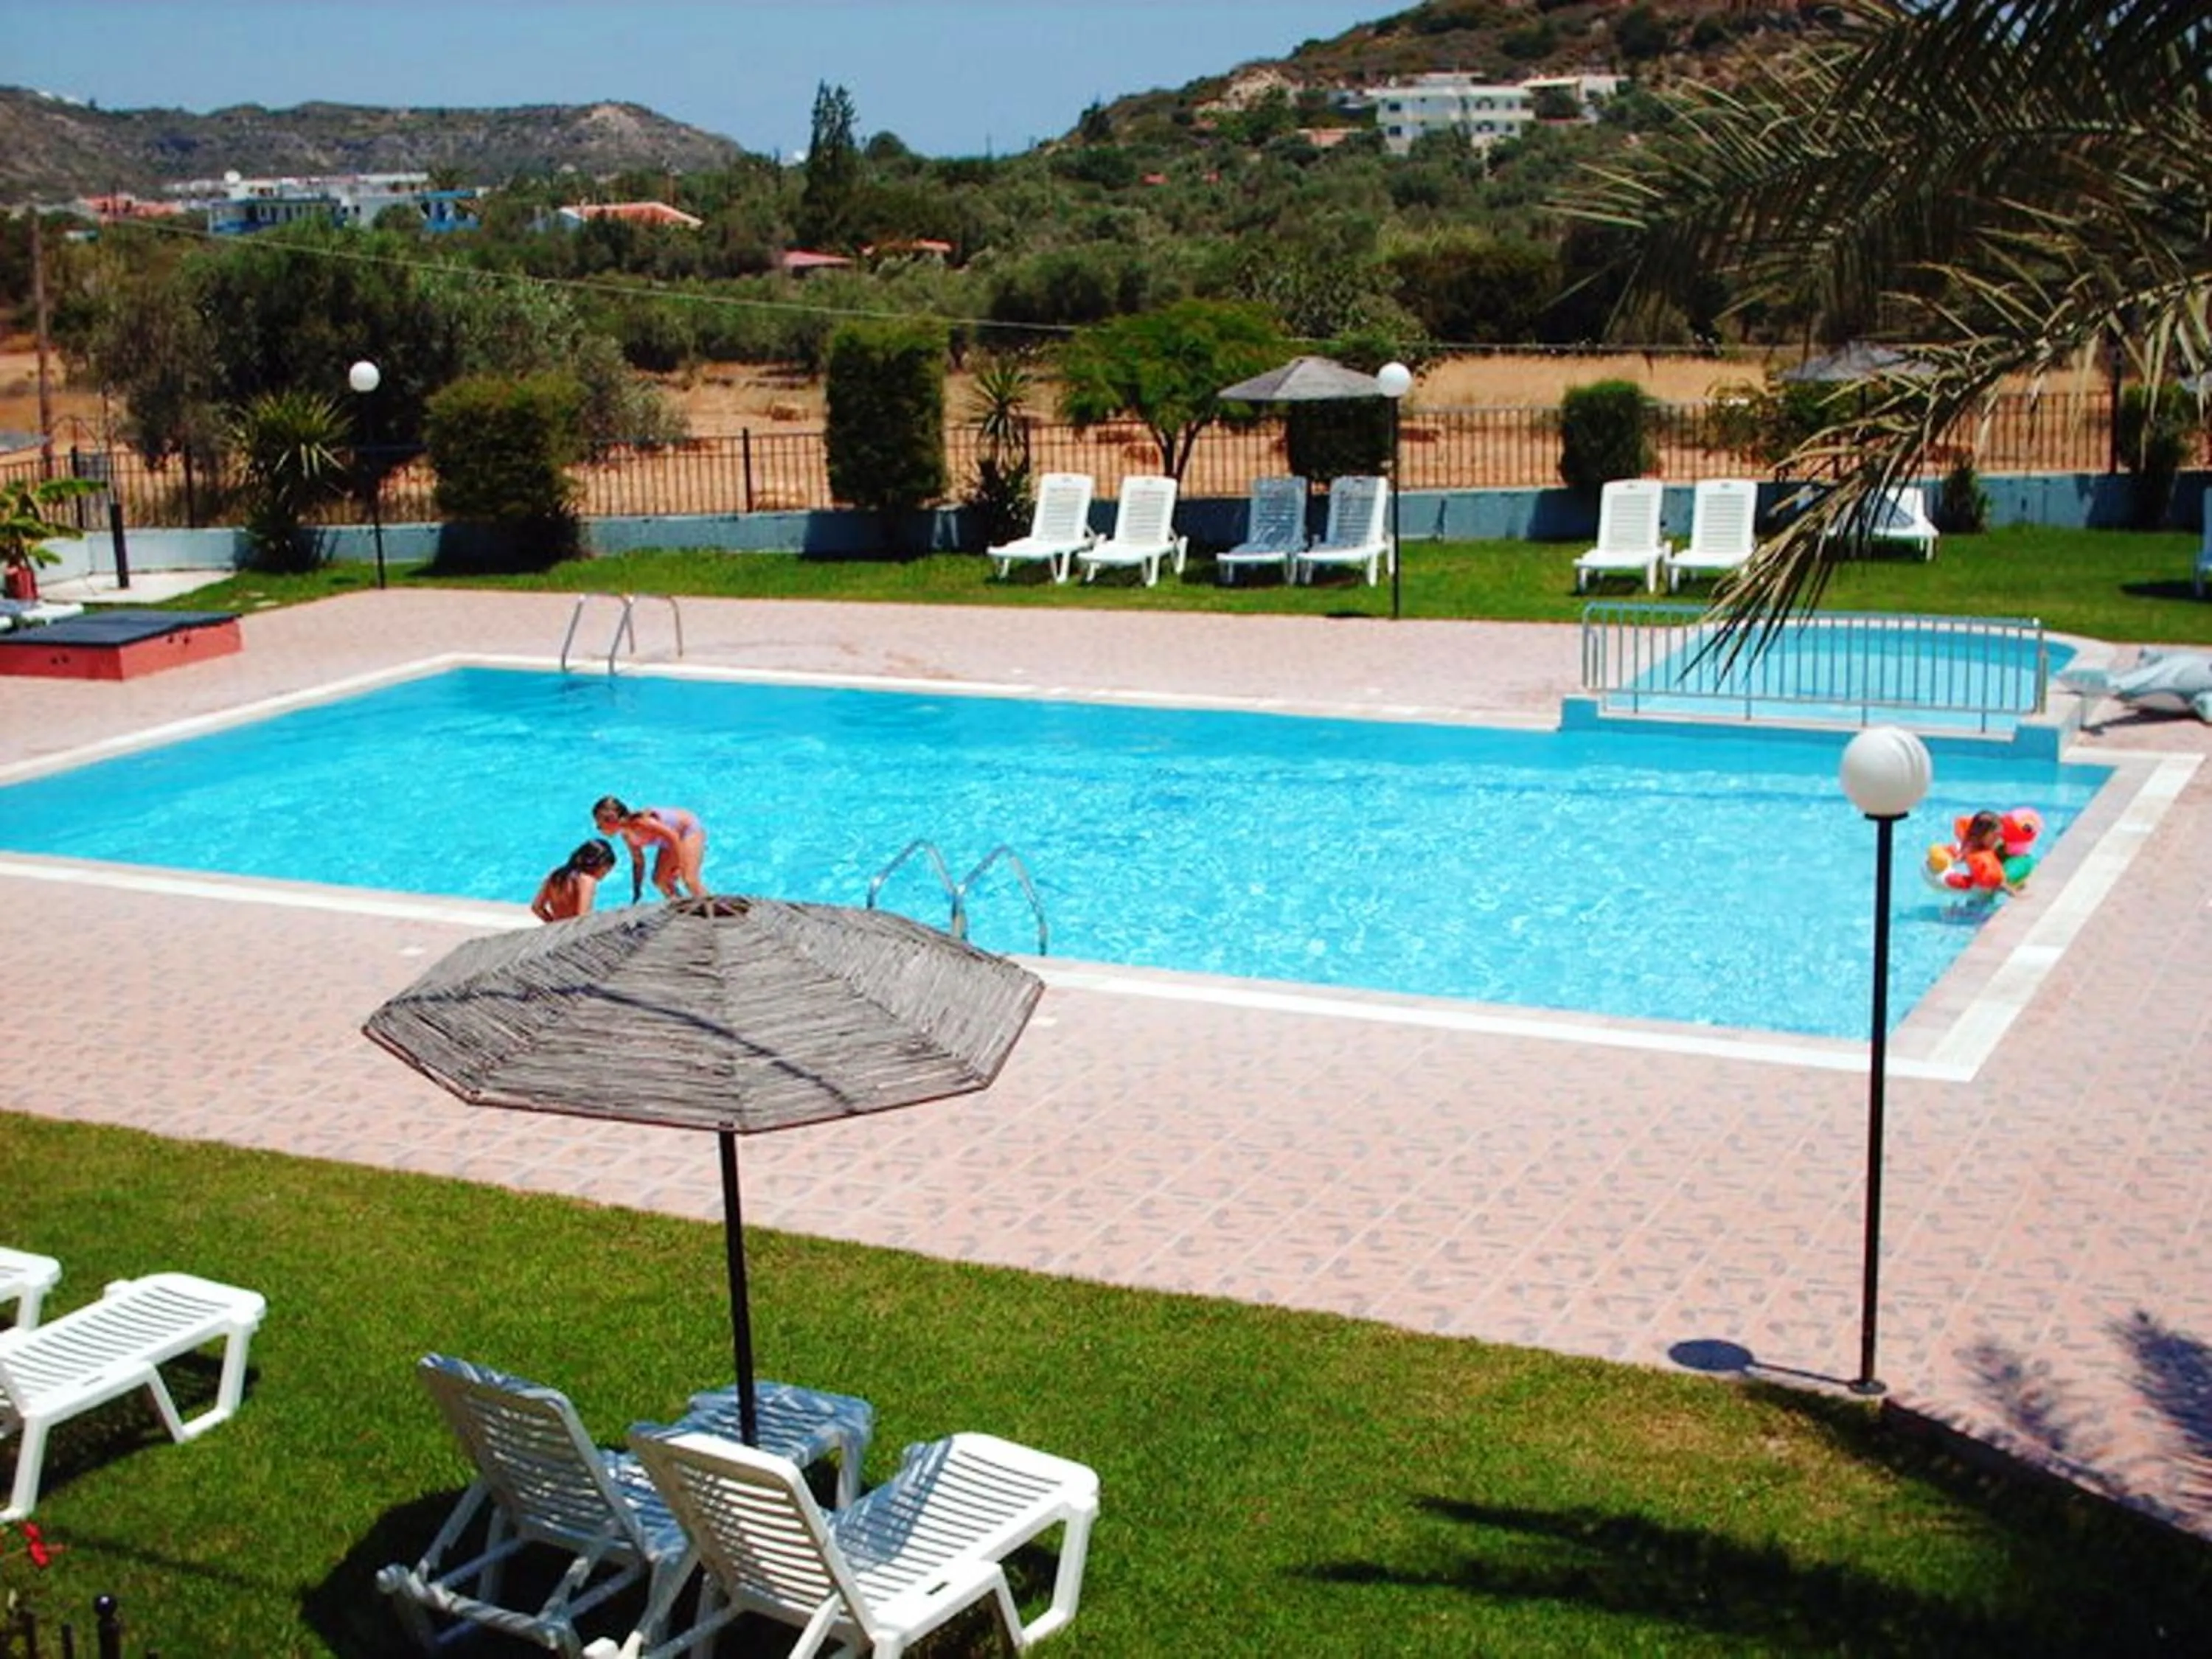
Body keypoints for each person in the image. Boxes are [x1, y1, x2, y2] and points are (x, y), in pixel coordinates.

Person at [592, 795, 708, 902]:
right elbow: (638, 862)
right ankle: (680, 903)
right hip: (670, 841)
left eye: (599, 825)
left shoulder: (642, 823)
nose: (598, 829)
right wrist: (637, 889)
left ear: (612, 818)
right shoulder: (627, 835)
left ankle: (715, 908)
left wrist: (678, 865)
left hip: (687, 831)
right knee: (660, 881)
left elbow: (673, 837)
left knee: (689, 879)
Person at [532, 838, 616, 922]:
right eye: (607, 869)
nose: (606, 874)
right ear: (600, 863)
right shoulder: (587, 880)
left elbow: (537, 907)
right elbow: (582, 917)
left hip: (561, 931)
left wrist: (554, 925)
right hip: (575, 933)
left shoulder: (556, 875)